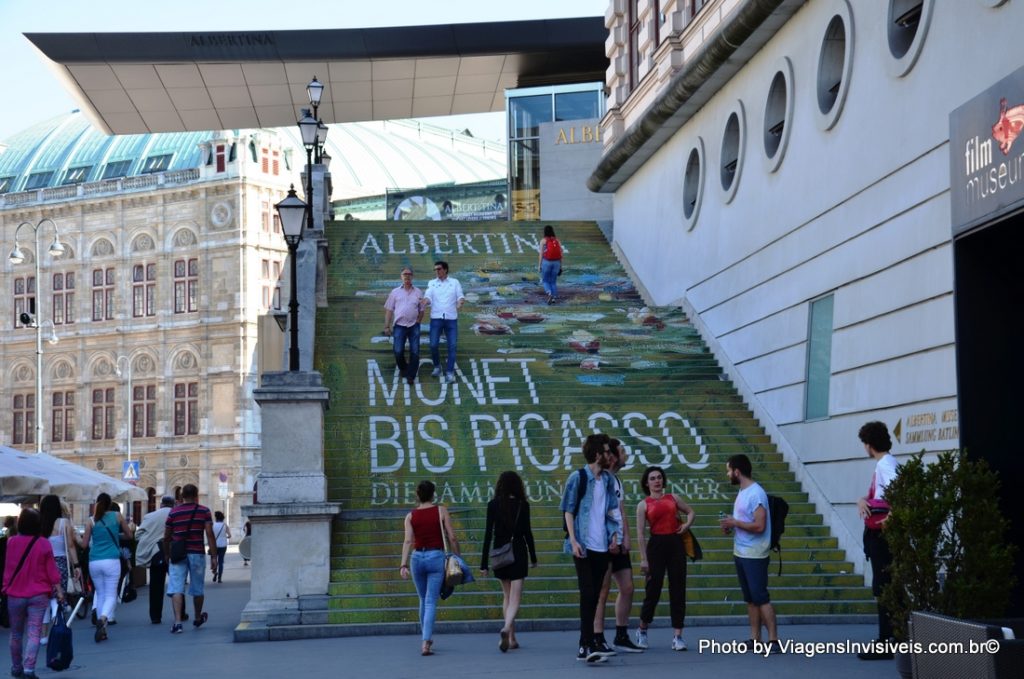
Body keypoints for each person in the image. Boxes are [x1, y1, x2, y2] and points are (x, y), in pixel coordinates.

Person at [560, 433, 622, 664]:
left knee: (594, 595)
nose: (610, 456)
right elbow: (568, 509)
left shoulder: (606, 480)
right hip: (583, 546)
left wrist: (614, 536)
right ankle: (584, 645)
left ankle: (590, 643)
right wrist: (574, 540)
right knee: (587, 593)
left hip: (602, 546)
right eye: (607, 452)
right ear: (597, 454)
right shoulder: (577, 478)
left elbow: (611, 511)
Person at [719, 454, 780, 653]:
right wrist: (731, 525)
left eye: (729, 470)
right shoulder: (743, 492)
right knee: (751, 599)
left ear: (737, 471)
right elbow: (745, 521)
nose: (728, 474)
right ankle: (755, 639)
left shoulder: (756, 493)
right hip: (742, 552)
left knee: (761, 597)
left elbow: (760, 525)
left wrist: (735, 523)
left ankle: (774, 641)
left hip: (755, 554)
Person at [634, 465, 695, 652]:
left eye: (659, 477)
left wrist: (685, 526)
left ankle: (678, 636)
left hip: (675, 545)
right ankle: (642, 630)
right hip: (656, 547)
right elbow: (640, 534)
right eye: (652, 478)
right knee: (653, 589)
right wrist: (644, 559)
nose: (657, 481)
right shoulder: (643, 504)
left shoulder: (673, 498)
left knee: (678, 589)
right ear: (647, 482)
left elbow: (691, 512)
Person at [398, 480, 461, 656]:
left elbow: (408, 541)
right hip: (435, 557)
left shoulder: (410, 516)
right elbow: (452, 537)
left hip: (417, 558)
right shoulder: (441, 510)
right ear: (433, 494)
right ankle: (426, 642)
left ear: (417, 495)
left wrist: (403, 564)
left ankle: (425, 639)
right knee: (430, 600)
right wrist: (457, 557)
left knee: (422, 599)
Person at [593, 438, 644, 654]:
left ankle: (621, 635)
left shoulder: (617, 480)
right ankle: (597, 637)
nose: (626, 455)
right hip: (604, 543)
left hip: (619, 542)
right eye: (623, 451)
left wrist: (627, 537)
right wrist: (611, 537)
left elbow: (621, 511)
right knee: (602, 592)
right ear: (612, 456)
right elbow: (600, 513)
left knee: (628, 587)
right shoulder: (601, 480)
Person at [856, 421, 900, 660]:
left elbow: (899, 491)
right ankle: (893, 637)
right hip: (880, 533)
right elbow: (882, 495)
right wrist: (861, 500)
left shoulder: (885, 465)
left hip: (880, 534)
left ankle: (886, 640)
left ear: (869, 445)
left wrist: (890, 519)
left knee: (883, 586)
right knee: (886, 584)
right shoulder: (886, 463)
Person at [479, 471, 537, 652]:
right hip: (518, 552)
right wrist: (533, 557)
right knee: (515, 598)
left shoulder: (493, 505)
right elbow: (528, 533)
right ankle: (506, 629)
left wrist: (483, 564)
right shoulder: (523, 505)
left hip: (500, 554)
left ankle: (512, 638)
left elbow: (488, 535)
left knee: (507, 596)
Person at [2, 509, 64, 679]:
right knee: (34, 632)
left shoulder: (11, 542)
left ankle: (16, 668)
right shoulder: (44, 543)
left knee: (15, 634)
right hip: (38, 594)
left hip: (15, 594)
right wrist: (59, 590)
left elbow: (7, 567)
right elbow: (52, 571)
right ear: (39, 525)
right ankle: (29, 668)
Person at [163, 483, 217, 635]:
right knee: (197, 587)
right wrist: (214, 556)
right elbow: (209, 533)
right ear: (196, 495)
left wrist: (167, 554)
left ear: (181, 496)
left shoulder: (173, 512)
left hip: (178, 554)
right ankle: (198, 617)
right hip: (197, 553)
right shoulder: (204, 511)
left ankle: (178, 623)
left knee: (176, 587)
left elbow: (166, 536)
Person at [81, 492, 133, 642]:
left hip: (94, 561)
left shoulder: (91, 520)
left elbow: (84, 545)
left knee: (101, 594)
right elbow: (129, 535)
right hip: (111, 560)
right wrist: (117, 536)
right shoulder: (117, 516)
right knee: (111, 595)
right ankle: (103, 618)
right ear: (110, 503)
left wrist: (74, 539)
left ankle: (102, 630)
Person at [39, 495, 80, 628]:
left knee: (45, 597)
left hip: (42, 565)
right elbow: (71, 546)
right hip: (60, 564)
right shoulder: (63, 523)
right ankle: (58, 624)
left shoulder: (38, 524)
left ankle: (44, 635)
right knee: (59, 595)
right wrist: (77, 565)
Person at [422, 260, 465, 384]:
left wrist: (460, 302)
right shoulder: (432, 283)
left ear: (445, 269)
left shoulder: (454, 282)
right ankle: (437, 366)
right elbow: (428, 296)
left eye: (439, 269)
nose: (437, 271)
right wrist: (425, 301)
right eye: (435, 269)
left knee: (452, 346)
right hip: (436, 318)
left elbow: (460, 296)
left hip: (451, 319)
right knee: (433, 345)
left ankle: (450, 372)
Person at [135, 495, 175, 624]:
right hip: (173, 551)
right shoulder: (176, 514)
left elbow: (138, 535)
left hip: (156, 552)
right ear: (173, 504)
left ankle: (155, 616)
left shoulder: (150, 516)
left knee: (155, 586)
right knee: (177, 583)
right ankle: (181, 612)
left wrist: (151, 538)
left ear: (161, 504)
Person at [383, 267, 425, 385]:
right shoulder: (395, 292)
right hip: (399, 326)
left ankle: (411, 375)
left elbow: (422, 310)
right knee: (398, 351)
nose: (407, 276)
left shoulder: (418, 292)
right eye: (404, 274)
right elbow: (389, 310)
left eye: (409, 274)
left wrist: (418, 321)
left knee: (415, 351)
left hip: (413, 326)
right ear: (401, 276)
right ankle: (405, 370)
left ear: (412, 276)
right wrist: (387, 326)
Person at [537, 224, 563, 304]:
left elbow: (541, 254)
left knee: (545, 281)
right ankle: (554, 298)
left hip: (547, 262)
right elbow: (561, 253)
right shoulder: (557, 240)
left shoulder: (543, 241)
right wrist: (560, 266)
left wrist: (539, 265)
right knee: (553, 281)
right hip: (557, 263)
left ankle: (549, 293)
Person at [212, 511, 231, 583]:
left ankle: (214, 572)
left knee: (214, 559)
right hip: (223, 545)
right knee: (220, 561)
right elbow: (229, 535)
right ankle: (219, 578)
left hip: (214, 545)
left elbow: (211, 535)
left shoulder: (213, 525)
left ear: (216, 517)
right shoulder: (225, 525)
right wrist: (224, 537)